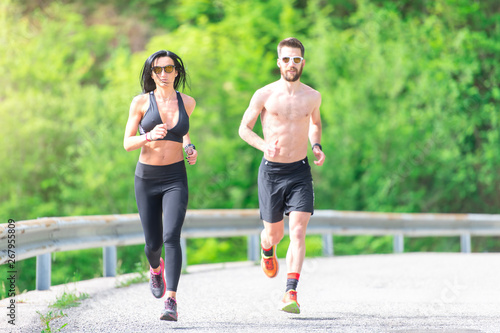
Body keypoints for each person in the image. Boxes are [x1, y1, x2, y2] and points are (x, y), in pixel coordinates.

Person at [238, 37, 325, 314]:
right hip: (271, 173)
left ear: (303, 63)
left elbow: (315, 124)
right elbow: (244, 129)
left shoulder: (312, 96)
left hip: (299, 170)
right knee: (274, 235)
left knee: (298, 231)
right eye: (286, 59)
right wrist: (264, 145)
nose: (291, 64)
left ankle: (290, 292)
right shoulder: (264, 94)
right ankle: (267, 248)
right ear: (279, 62)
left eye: (296, 59)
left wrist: (317, 146)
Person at [123, 50, 197, 321]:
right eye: (157, 70)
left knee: (171, 237)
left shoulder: (187, 102)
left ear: (177, 71)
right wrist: (147, 136)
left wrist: (190, 147)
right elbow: (127, 142)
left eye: (169, 69)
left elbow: (183, 130)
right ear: (151, 74)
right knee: (153, 244)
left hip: (175, 177)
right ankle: (155, 269)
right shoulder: (141, 102)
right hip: (147, 179)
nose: (163, 74)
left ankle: (171, 301)